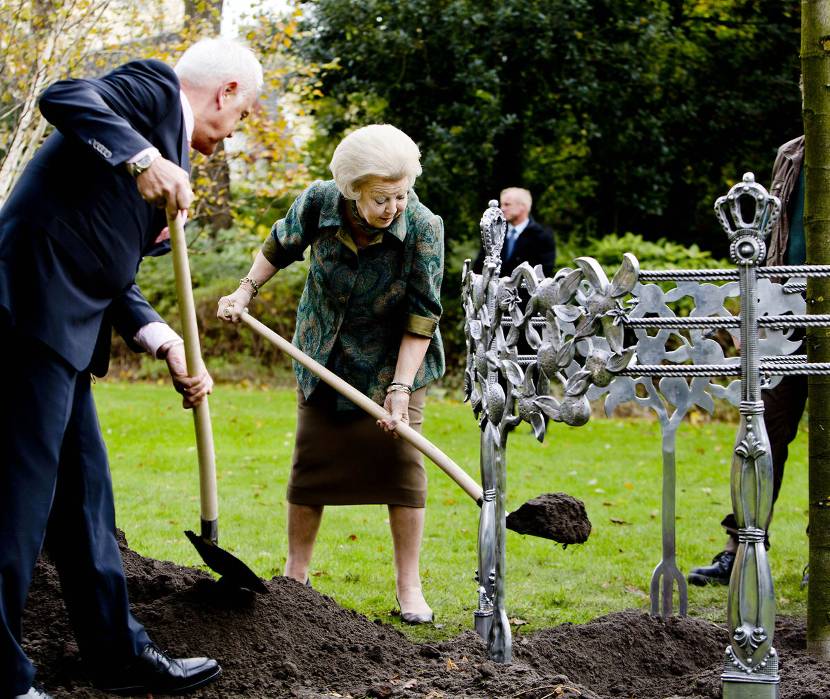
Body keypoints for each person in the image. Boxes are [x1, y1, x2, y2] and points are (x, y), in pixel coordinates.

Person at [0, 38, 263, 698]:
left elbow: (107, 267)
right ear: (226, 91)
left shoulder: (167, 164)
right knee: (15, 505)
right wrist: (142, 158)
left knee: (86, 504)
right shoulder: (152, 93)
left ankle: (119, 656)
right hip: (25, 314)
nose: (236, 131)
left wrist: (166, 341)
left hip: (64, 335)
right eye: (243, 114)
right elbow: (64, 94)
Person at [218, 124, 444, 625]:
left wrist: (400, 388)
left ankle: (409, 586)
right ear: (351, 190)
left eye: (401, 194)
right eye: (381, 198)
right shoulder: (320, 202)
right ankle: (295, 577)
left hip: (394, 361)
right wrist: (244, 291)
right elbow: (279, 245)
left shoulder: (424, 227)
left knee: (402, 469)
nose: (394, 207)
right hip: (323, 353)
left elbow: (422, 315)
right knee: (311, 466)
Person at [687, 133, 806, 586]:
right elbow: (770, 240)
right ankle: (740, 549)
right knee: (763, 429)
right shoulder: (791, 155)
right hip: (783, 314)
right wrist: (755, 311)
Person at [473, 186, 556, 277]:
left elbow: (544, 274)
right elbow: (480, 266)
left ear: (522, 206)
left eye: (507, 204)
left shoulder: (542, 236)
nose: (502, 208)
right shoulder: (494, 231)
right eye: (502, 204)